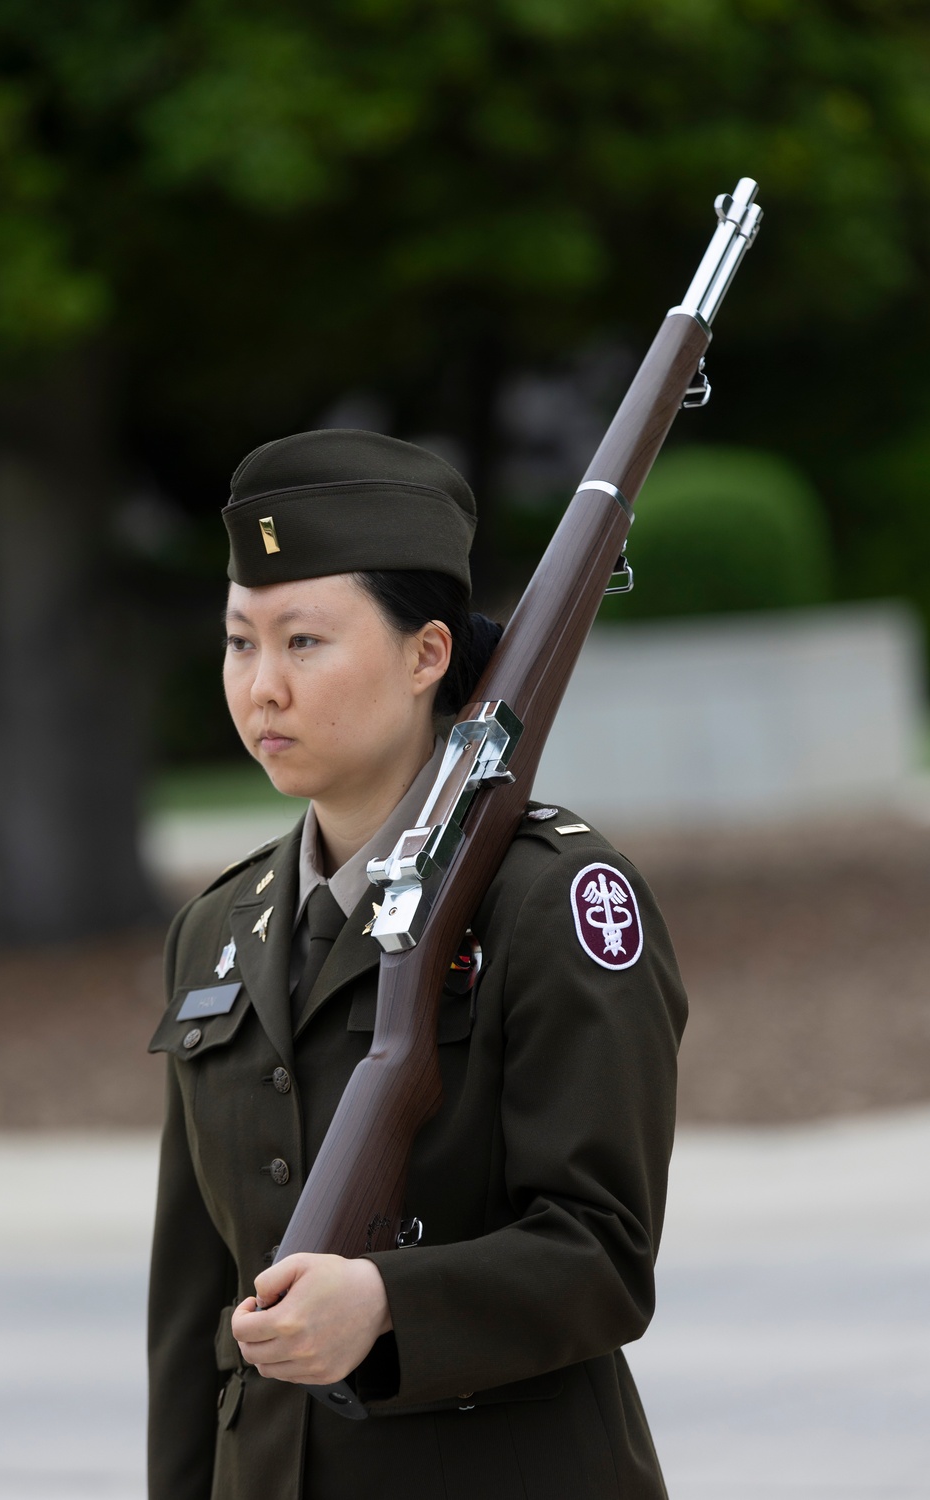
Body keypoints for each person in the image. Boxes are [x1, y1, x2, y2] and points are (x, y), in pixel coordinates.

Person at [148, 429, 687, 1500]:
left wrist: (388, 1303)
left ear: (426, 654)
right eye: (239, 642)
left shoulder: (551, 901)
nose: (261, 687)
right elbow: (189, 1305)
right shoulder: (218, 926)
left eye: (303, 642)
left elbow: (602, 1254)